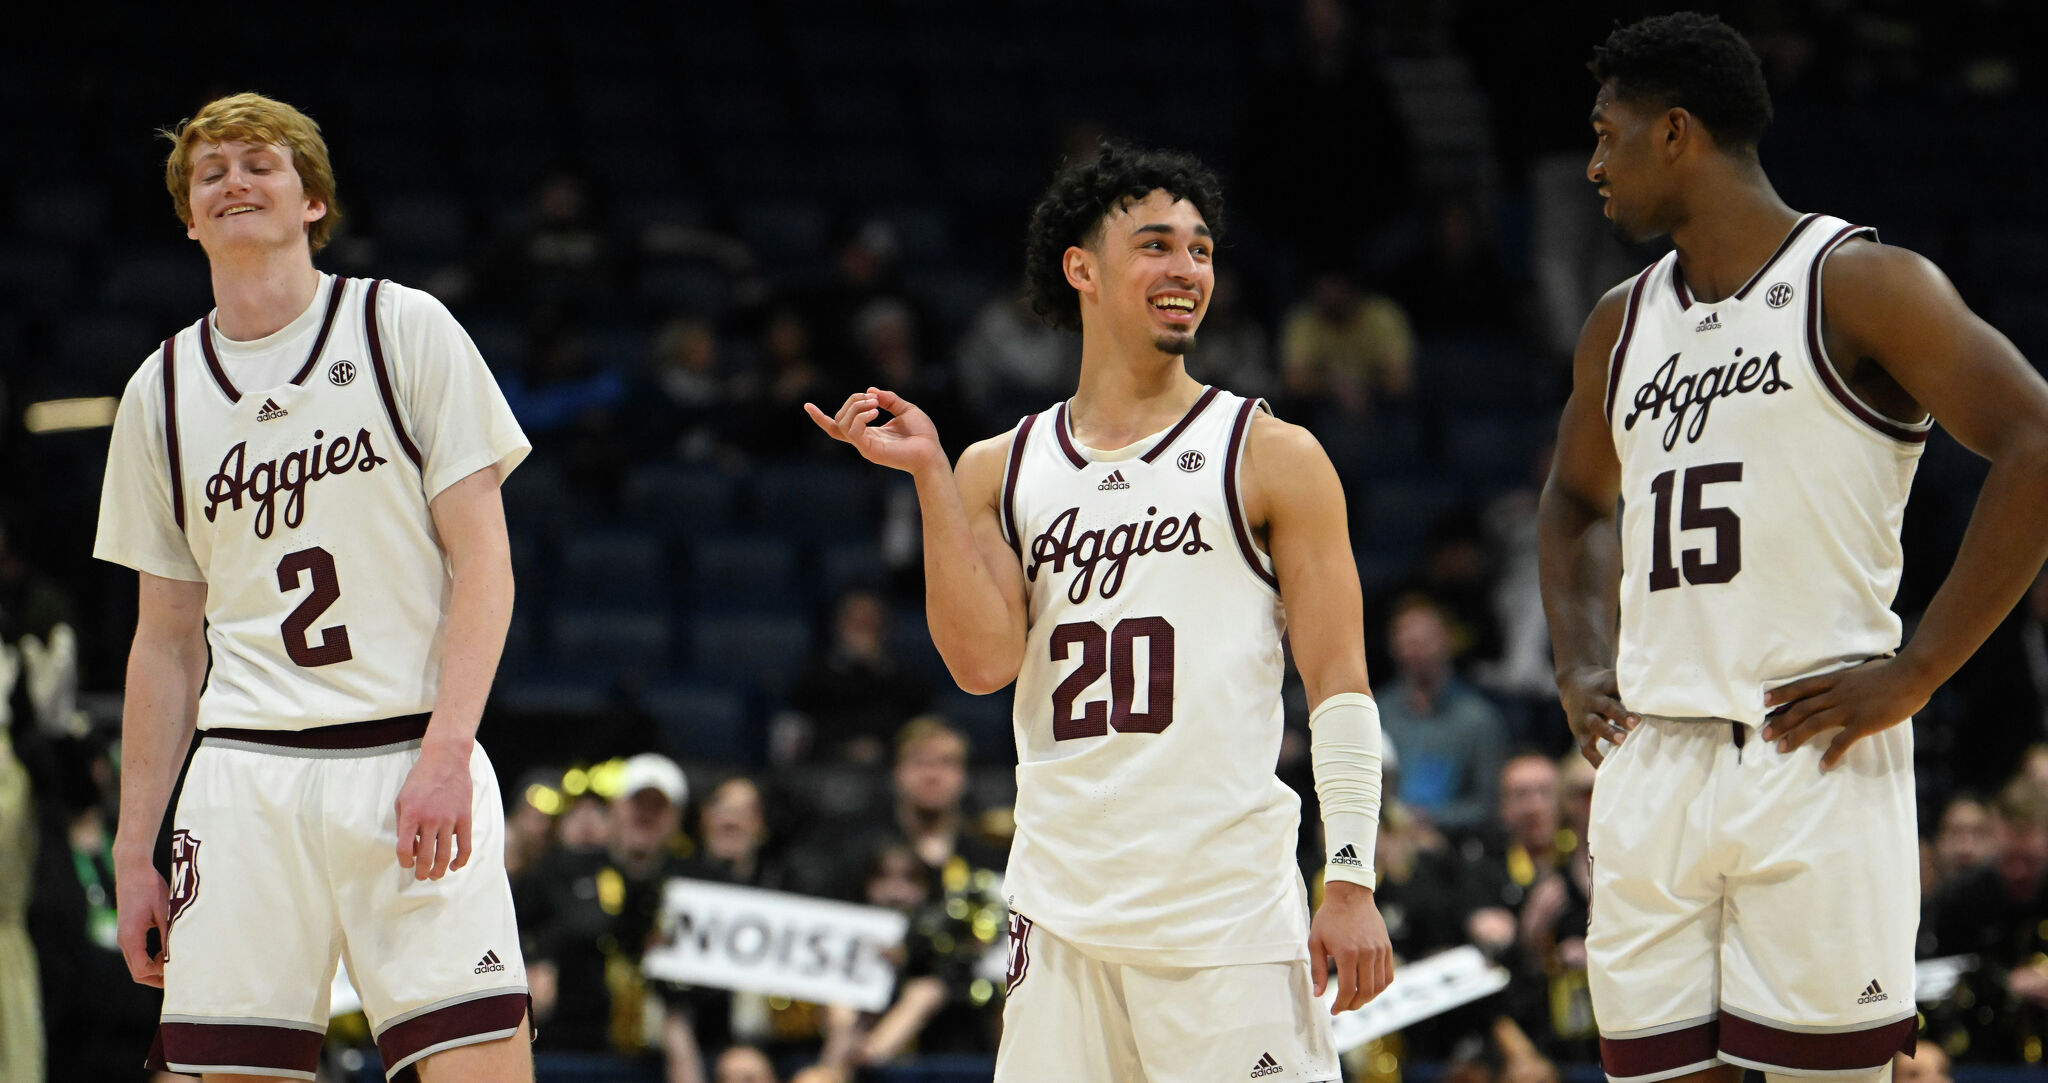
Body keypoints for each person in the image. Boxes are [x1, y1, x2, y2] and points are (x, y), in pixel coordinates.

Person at [806, 142, 1392, 1081]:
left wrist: (1352, 876)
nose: (1187, 270)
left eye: (1201, 250)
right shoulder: (998, 465)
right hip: (1061, 913)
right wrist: (929, 478)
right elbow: (980, 664)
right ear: (1081, 268)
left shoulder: (1272, 453)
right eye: (1156, 246)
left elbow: (1343, 689)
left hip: (1224, 913)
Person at [1537, 13, 2048, 1082]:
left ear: (1674, 132)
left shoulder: (1858, 283)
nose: (1590, 165)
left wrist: (1918, 669)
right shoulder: (1617, 325)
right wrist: (1578, 660)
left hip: (1808, 749)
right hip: (1656, 761)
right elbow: (1575, 503)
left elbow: (2032, 440)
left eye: (1605, 134)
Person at [93, 92, 534, 1081]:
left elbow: (486, 564)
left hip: (407, 754)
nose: (235, 181)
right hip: (244, 773)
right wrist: (134, 849)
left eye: (261, 165)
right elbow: (164, 643)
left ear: (312, 204)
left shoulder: (400, 328)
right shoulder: (158, 391)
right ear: (190, 217)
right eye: (212, 173)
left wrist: (448, 752)